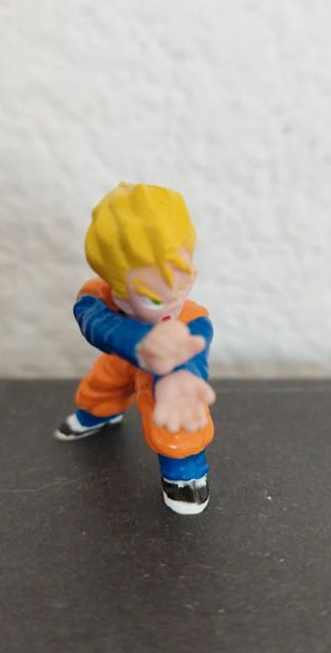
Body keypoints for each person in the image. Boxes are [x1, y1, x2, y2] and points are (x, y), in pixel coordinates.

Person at [55, 182, 216, 515]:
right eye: (153, 298)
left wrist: (180, 375)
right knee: (101, 386)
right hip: (124, 356)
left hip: (165, 373)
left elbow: (193, 352)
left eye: (185, 281)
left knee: (176, 414)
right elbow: (93, 323)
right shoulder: (98, 298)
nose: (173, 302)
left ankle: (185, 475)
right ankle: (97, 414)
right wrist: (139, 342)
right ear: (118, 290)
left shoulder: (193, 320)